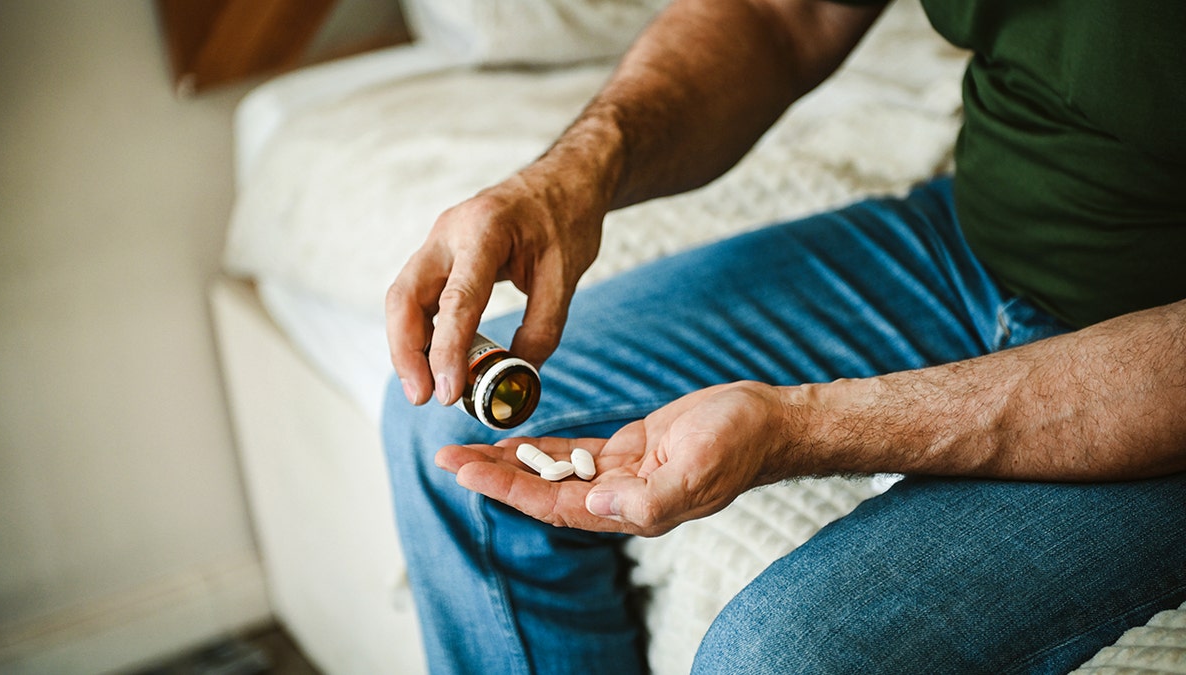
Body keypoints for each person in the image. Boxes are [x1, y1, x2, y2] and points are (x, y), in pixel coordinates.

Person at [382, 0, 1186, 672]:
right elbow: (781, 15)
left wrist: (804, 424)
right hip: (967, 239)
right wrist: (571, 176)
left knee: (773, 657)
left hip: (1159, 358)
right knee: (441, 418)